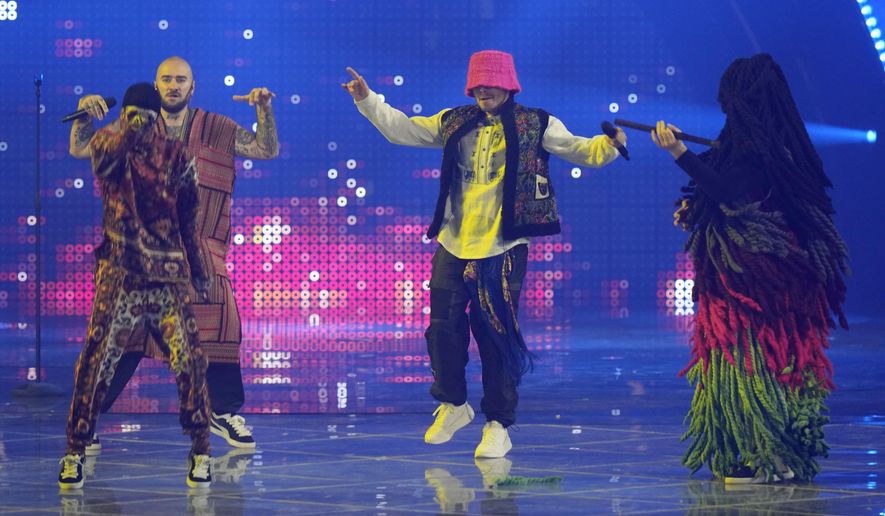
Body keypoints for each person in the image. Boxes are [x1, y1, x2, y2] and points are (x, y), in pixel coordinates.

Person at [342, 50, 625, 458]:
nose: (483, 90)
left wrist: (609, 145)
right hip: (455, 241)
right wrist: (369, 99)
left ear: (509, 84)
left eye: (491, 83)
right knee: (442, 328)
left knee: (495, 334)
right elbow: (402, 129)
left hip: (503, 245)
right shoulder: (455, 120)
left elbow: (581, 149)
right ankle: (454, 405)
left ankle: (497, 423)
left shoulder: (536, 123)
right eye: (477, 84)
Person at [650, 53, 849, 483]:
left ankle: (761, 450)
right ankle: (769, 450)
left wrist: (679, 152)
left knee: (744, 359)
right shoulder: (769, 146)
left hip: (751, 278)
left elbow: (732, 192)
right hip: (774, 277)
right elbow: (724, 194)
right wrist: (693, 207)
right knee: (770, 360)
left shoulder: (760, 151)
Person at [69, 56, 279, 450]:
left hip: (201, 249)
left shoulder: (217, 127)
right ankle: (89, 419)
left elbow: (266, 149)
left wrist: (263, 109)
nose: (173, 86)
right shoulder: (134, 128)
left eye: (181, 80)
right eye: (166, 79)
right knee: (122, 334)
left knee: (221, 313)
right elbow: (82, 148)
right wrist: (85, 112)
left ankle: (225, 411)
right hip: (143, 253)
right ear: (156, 83)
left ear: (193, 86)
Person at [59, 83, 212, 489]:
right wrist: (108, 123)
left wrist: (199, 272)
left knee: (191, 360)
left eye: (145, 116)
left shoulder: (177, 155)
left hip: (166, 276)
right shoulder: (110, 144)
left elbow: (188, 221)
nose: (140, 124)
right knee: (95, 358)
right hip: (121, 273)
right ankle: (74, 450)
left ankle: (201, 451)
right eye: (133, 115)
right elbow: (101, 160)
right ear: (125, 114)